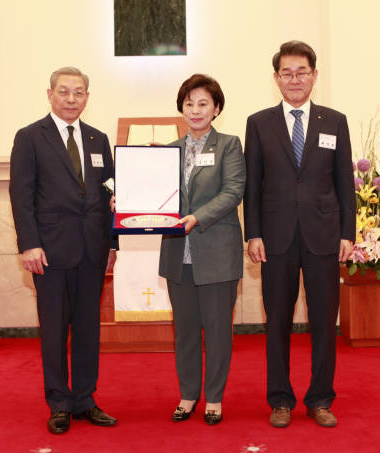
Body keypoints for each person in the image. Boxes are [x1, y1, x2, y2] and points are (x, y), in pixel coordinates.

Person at [243, 41, 355, 428]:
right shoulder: (258, 123)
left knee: (325, 321)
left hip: (324, 235)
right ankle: (280, 399)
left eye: (301, 72)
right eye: (286, 73)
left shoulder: (334, 121)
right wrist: (252, 233)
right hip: (275, 239)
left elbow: (345, 182)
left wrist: (348, 233)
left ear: (314, 75)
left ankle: (321, 398)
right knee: (277, 322)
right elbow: (252, 186)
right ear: (276, 78)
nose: (294, 79)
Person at [9, 66, 117, 434]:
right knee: (54, 330)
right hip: (49, 252)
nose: (72, 99)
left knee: (88, 329)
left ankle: (85, 399)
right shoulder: (30, 137)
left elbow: (109, 194)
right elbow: (21, 195)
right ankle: (59, 403)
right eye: (65, 92)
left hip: (92, 249)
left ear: (88, 96)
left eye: (79, 92)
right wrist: (29, 244)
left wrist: (113, 244)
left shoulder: (98, 139)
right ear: (50, 94)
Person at [158, 74, 246, 425]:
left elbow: (234, 191)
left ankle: (214, 398)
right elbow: (156, 197)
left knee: (218, 329)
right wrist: (128, 202)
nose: (195, 110)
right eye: (189, 103)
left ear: (217, 108)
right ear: (181, 108)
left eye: (203, 103)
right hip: (178, 255)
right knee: (185, 330)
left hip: (217, 253)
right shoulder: (168, 152)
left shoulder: (229, 145)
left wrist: (197, 216)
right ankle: (188, 394)